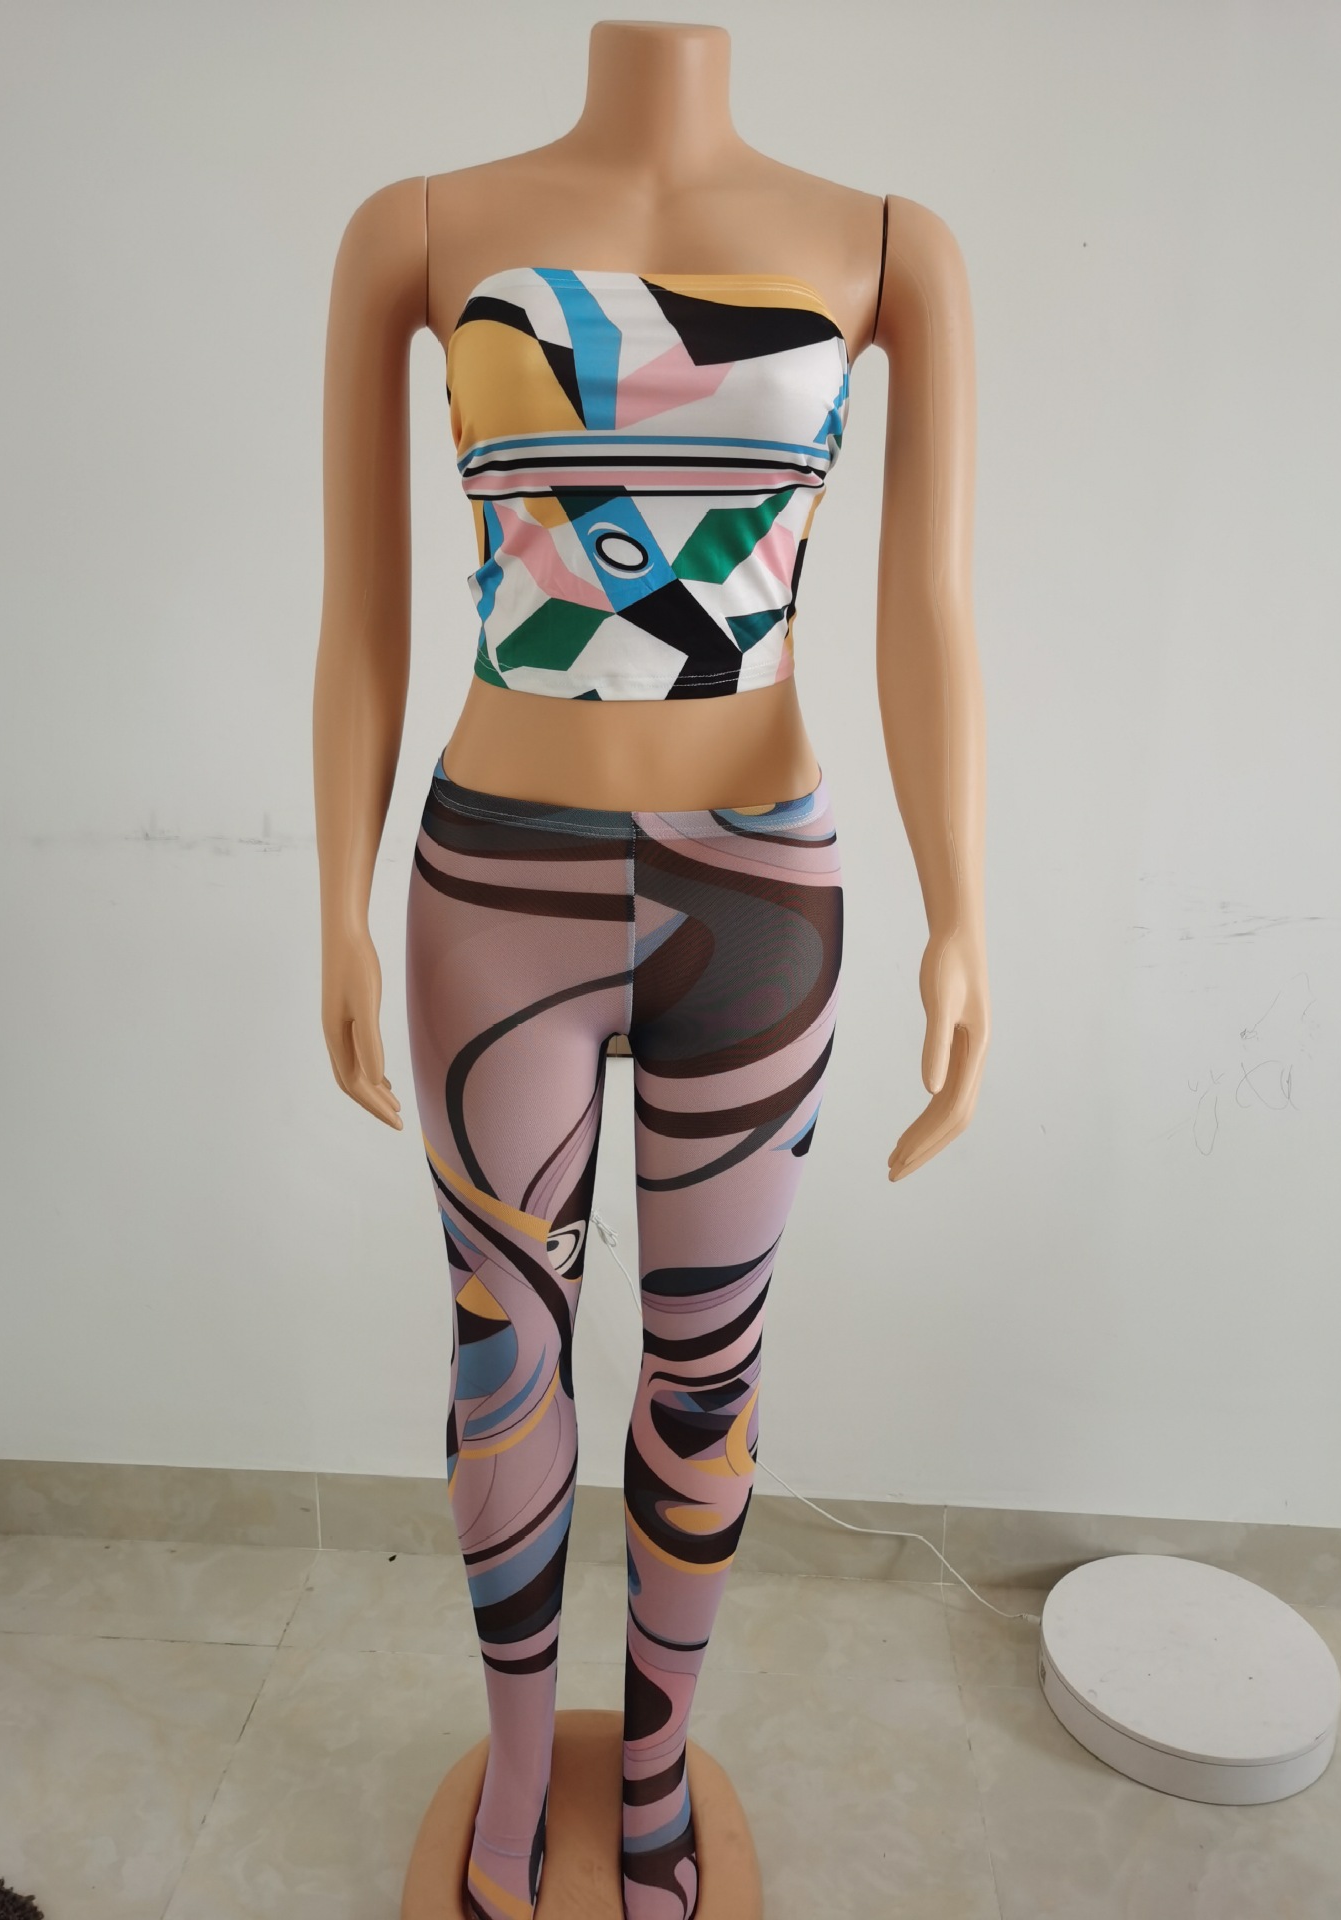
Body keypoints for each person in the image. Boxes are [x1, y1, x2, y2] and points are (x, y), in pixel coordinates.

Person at [312, 24, 989, 1920]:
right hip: (495, 881)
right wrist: (335, 900)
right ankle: (523, 1764)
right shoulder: (418, 228)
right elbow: (362, 608)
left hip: (760, 887)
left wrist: (963, 913)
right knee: (504, 1350)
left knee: (708, 1368)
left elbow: (930, 604)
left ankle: (658, 1766)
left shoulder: (887, 245)